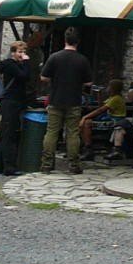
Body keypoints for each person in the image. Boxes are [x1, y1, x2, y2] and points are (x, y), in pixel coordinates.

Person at [39, 27, 93, 174]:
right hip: (74, 100)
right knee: (72, 133)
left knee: (51, 132)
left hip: (55, 99)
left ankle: (46, 164)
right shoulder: (82, 60)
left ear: (65, 40)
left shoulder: (54, 57)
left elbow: (43, 77)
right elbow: (88, 83)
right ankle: (74, 164)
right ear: (78, 42)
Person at [0, 41, 30, 176]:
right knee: (9, 134)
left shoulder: (14, 65)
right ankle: (9, 167)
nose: (22, 55)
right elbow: (24, 76)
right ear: (13, 52)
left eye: (24, 52)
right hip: (11, 102)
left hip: (13, 101)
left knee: (5, 133)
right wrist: (26, 63)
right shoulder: (10, 64)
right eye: (20, 52)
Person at [78, 79, 126, 161]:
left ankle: (88, 148)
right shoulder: (112, 98)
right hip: (109, 118)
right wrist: (99, 95)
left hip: (115, 120)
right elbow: (101, 106)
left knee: (87, 123)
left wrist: (85, 117)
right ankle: (83, 146)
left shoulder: (116, 98)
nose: (107, 88)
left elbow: (101, 110)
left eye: (109, 86)